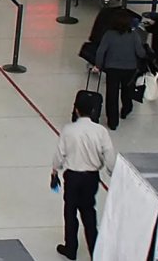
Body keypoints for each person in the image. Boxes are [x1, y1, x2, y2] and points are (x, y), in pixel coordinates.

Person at [51, 93, 114, 260]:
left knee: (70, 212)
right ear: (93, 110)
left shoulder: (68, 130)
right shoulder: (100, 131)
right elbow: (109, 155)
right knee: (88, 213)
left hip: (72, 177)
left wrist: (55, 170)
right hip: (91, 178)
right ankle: (95, 251)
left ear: (76, 110)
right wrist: (112, 172)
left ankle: (70, 248)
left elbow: (59, 154)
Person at [92, 12, 147, 129]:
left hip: (112, 69)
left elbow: (101, 51)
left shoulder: (109, 35)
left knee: (112, 94)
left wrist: (98, 65)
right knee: (127, 91)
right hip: (130, 69)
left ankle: (113, 121)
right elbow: (140, 53)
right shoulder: (134, 35)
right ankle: (126, 109)